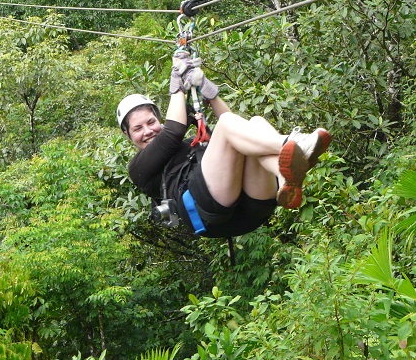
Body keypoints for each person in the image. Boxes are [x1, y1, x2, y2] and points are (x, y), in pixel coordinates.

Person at [116, 54, 331, 238]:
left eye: (151, 122)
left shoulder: (191, 146)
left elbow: (238, 129)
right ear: (128, 134)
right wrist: (177, 82)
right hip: (204, 210)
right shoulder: (139, 169)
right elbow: (173, 131)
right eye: (138, 128)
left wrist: (210, 92)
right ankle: (294, 144)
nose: (147, 131)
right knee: (226, 126)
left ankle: (286, 179)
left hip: (252, 207)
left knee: (254, 124)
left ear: (159, 120)